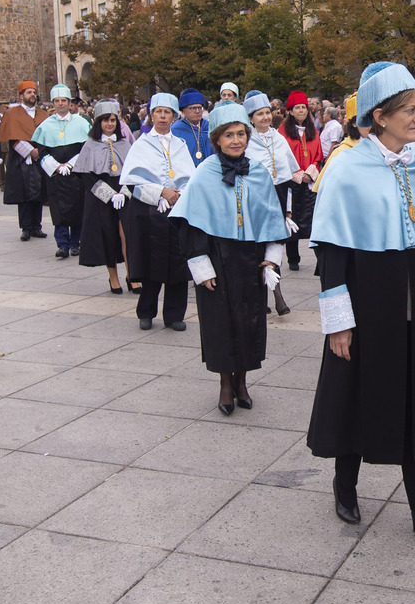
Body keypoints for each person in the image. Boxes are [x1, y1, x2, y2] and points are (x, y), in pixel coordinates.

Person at [307, 61, 415, 550]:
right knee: (357, 390)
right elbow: (332, 251)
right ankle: (344, 484)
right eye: (411, 110)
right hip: (367, 299)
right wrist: (338, 323)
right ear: (379, 116)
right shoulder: (347, 167)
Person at [171, 101, 288, 414]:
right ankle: (225, 382)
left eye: (241, 134)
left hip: (250, 258)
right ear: (217, 140)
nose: (236, 140)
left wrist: (271, 258)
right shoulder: (204, 173)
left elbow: (272, 218)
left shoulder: (259, 172)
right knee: (220, 322)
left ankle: (242, 380)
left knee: (249, 320)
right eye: (229, 136)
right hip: (216, 258)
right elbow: (191, 226)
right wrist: (201, 266)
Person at [120, 93, 195, 331]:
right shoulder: (141, 143)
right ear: (152, 115)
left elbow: (190, 178)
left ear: (174, 116)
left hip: (176, 210)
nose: (162, 116)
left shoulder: (180, 144)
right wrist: (160, 192)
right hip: (148, 212)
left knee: (177, 263)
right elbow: (132, 181)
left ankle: (174, 314)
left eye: (167, 112)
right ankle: (146, 311)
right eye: (158, 112)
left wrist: (178, 194)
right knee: (150, 263)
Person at [244, 89, 297, 316]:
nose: (265, 117)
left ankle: (278, 295)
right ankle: (260, 297)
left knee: (276, 245)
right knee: (258, 248)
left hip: (279, 196)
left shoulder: (278, 138)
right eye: (259, 114)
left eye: (267, 113)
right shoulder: (246, 141)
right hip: (256, 198)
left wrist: (288, 210)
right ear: (251, 118)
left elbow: (289, 176)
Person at [73, 100, 133, 294]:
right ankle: (113, 277)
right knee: (108, 235)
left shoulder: (125, 143)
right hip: (101, 194)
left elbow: (133, 171)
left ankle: (132, 275)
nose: (109, 124)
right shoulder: (90, 145)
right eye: (105, 120)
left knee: (128, 236)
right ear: (98, 122)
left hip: (123, 192)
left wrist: (124, 192)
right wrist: (108, 194)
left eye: (113, 120)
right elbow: (87, 175)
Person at [32, 85, 91, 259]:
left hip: (76, 174)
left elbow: (86, 148)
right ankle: (62, 244)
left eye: (63, 101)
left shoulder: (81, 122)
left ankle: (75, 243)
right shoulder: (45, 125)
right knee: (58, 210)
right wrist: (56, 166)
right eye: (57, 101)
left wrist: (71, 164)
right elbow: (41, 151)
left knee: (78, 207)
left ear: (69, 102)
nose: (60, 104)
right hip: (55, 175)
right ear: (53, 103)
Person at [0, 80, 50, 242]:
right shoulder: (12, 114)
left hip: (39, 157)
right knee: (24, 194)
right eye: (28, 92)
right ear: (21, 96)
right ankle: (26, 227)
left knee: (38, 193)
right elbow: (12, 138)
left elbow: (47, 136)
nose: (32, 95)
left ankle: (37, 226)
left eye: (34, 92)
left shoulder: (43, 114)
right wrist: (30, 151)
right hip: (21, 158)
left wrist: (39, 152)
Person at [280, 90, 322, 271]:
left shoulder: (313, 130)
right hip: (292, 183)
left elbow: (319, 155)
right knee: (293, 221)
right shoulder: (282, 132)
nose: (301, 111)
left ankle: (320, 260)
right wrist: (298, 175)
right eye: (297, 108)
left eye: (304, 107)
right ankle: (293, 259)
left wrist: (309, 173)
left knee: (315, 221)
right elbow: (281, 158)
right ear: (290, 111)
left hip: (310, 182)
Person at [170, 88, 213, 166]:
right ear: (183, 111)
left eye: (199, 108)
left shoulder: (210, 127)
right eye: (192, 108)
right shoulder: (175, 130)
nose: (197, 111)